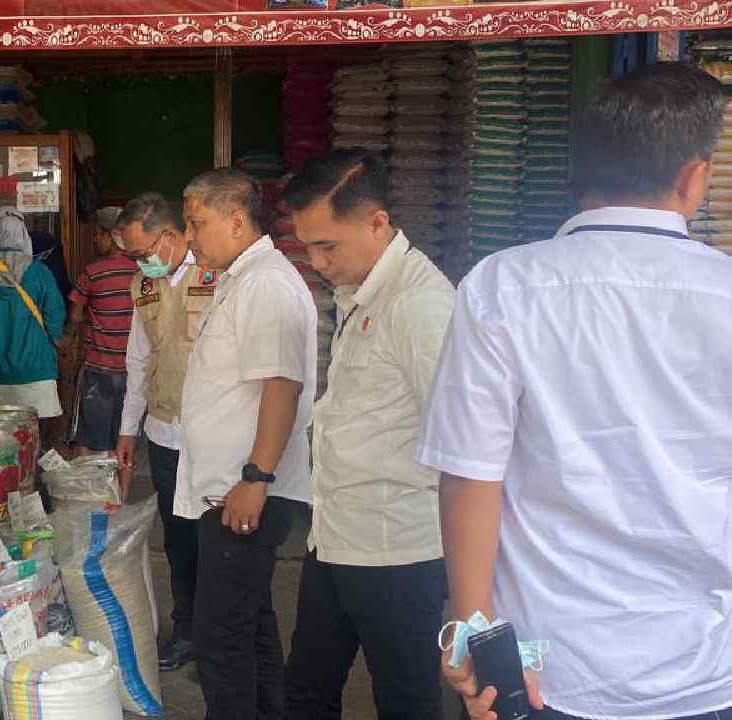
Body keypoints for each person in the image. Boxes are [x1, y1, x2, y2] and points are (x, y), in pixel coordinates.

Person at [418, 62, 732, 720]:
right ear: (693, 177)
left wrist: (475, 636)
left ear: (580, 172)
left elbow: (470, 476)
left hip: (546, 671)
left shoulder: (502, 287)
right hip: (705, 668)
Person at [279, 150, 454, 719]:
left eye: (327, 245)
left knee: (405, 702)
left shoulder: (422, 305)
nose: (316, 261)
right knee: (306, 690)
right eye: (308, 246)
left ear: (378, 223)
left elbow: (460, 444)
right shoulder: (361, 292)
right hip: (334, 537)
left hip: (397, 551)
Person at [177, 169, 315, 719]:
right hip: (235, 490)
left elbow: (281, 385)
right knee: (250, 626)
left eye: (196, 223)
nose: (188, 237)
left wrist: (255, 479)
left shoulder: (266, 284)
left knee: (220, 640)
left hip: (246, 492)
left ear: (237, 220)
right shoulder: (242, 278)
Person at [113, 193, 214, 671]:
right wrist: (128, 430)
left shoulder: (217, 276)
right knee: (178, 540)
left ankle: (221, 635)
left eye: (141, 252)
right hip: (164, 434)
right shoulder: (144, 287)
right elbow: (138, 361)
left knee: (218, 540)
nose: (138, 263)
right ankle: (188, 630)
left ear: (170, 238)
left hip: (213, 439)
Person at [0, 207, 66, 446]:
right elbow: (55, 318)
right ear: (23, 236)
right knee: (34, 445)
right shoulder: (40, 272)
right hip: (36, 376)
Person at [67, 206, 135, 455]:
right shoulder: (142, 274)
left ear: (110, 236)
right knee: (123, 437)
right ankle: (115, 490)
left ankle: (90, 489)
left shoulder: (92, 273)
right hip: (131, 370)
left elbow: (74, 316)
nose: (95, 239)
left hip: (97, 369)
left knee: (88, 437)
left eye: (97, 234)